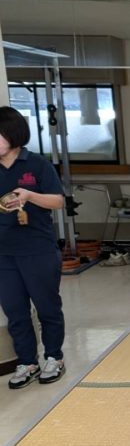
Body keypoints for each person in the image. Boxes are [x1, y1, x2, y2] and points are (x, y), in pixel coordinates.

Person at [0, 106, 67, 389]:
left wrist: (29, 195)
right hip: (4, 252)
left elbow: (58, 201)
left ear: (11, 134)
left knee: (47, 307)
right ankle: (27, 362)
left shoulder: (36, 164)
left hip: (38, 248)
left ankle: (54, 357)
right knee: (15, 311)